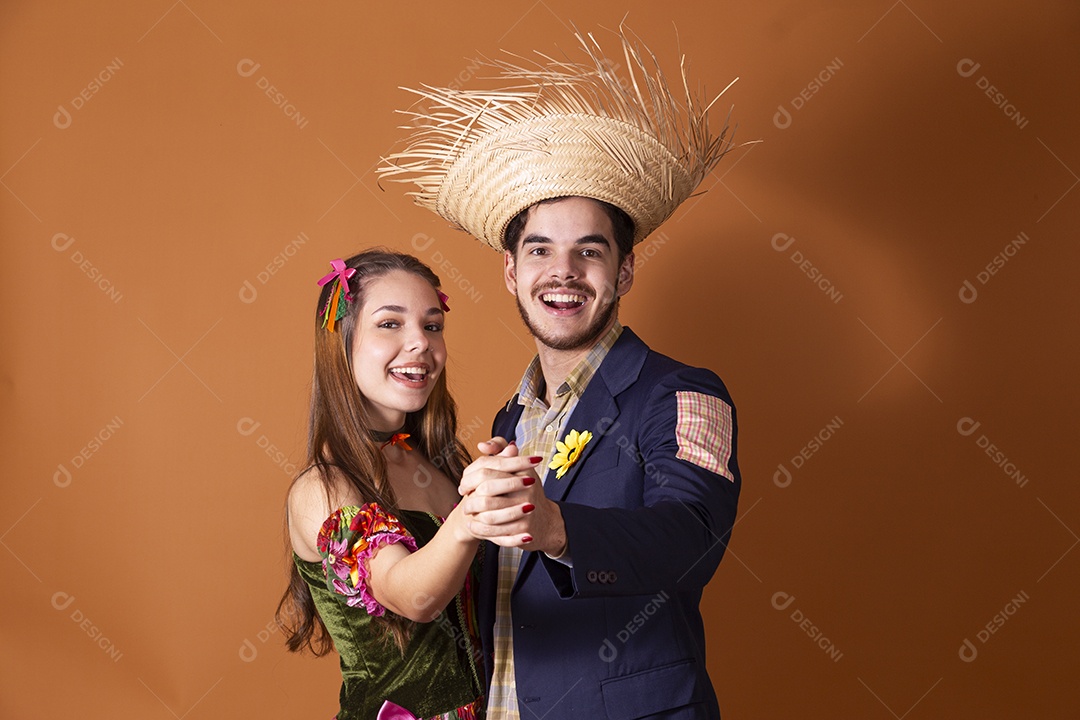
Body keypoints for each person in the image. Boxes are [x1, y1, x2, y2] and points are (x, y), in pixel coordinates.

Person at [380, 26, 742, 720]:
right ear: (512, 273)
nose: (564, 273)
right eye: (541, 250)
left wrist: (557, 529)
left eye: (590, 252)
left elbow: (691, 539)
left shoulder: (686, 394)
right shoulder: (509, 421)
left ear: (624, 270)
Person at [277, 249, 487, 720]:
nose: (420, 343)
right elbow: (411, 597)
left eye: (432, 325)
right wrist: (472, 518)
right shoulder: (324, 488)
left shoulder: (445, 464)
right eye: (390, 324)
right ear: (342, 340)